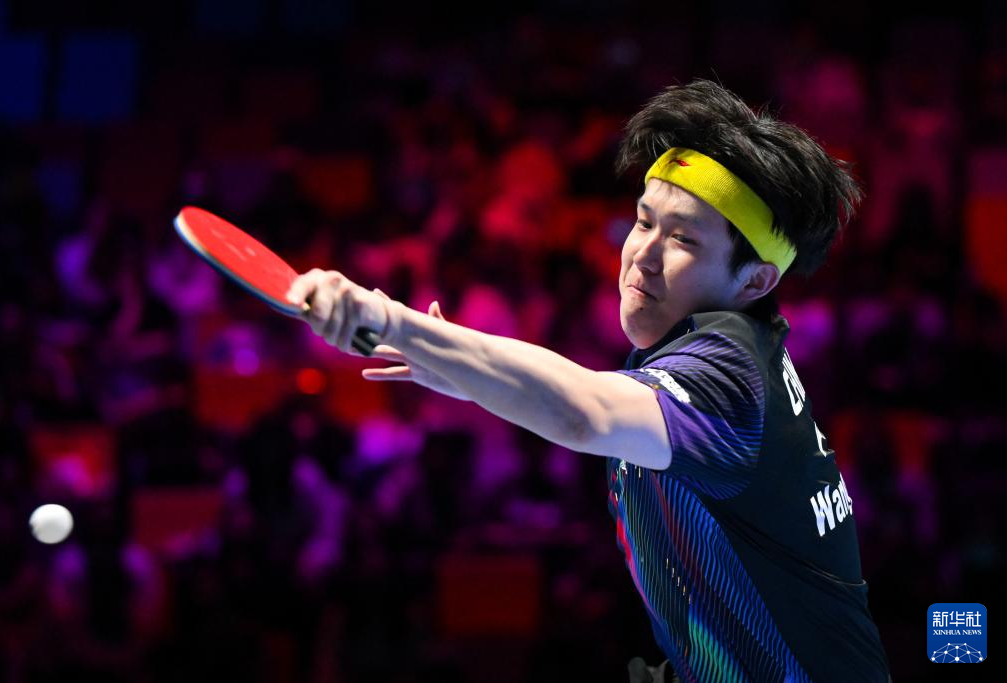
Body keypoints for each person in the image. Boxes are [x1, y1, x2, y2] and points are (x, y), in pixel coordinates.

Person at [285, 79, 892, 682]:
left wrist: (393, 319)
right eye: (642, 222)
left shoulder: (729, 368)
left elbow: (586, 413)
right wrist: (464, 370)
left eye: (683, 238)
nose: (642, 255)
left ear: (755, 281)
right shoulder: (724, 354)